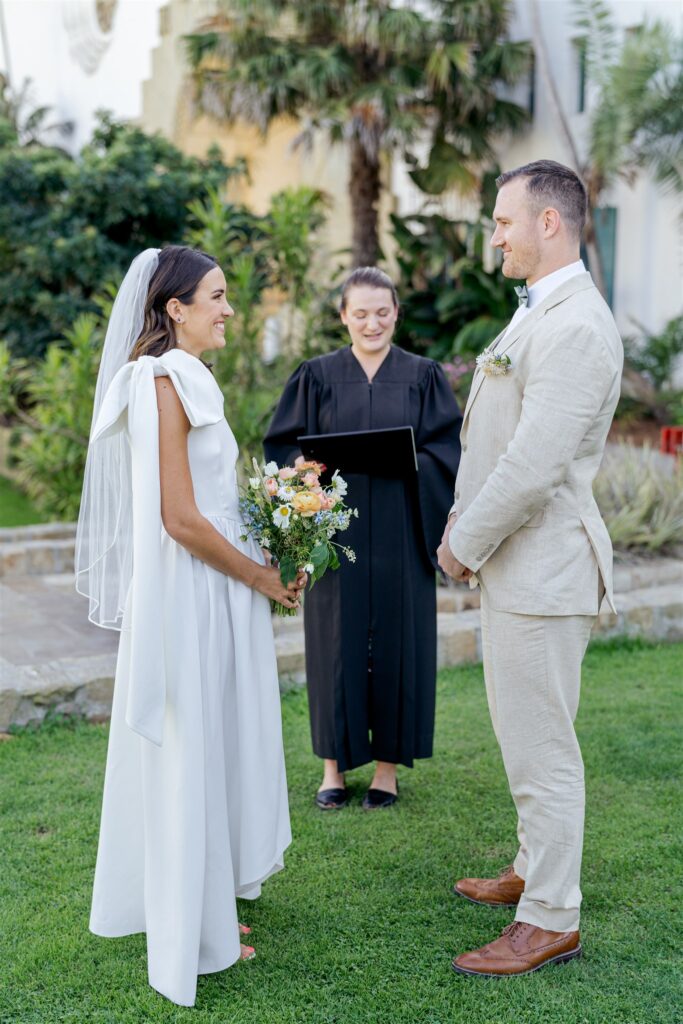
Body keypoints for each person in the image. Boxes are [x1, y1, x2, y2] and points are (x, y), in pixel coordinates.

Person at [76, 246, 303, 1007]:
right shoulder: (162, 380)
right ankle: (191, 932)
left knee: (213, 749)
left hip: (216, 592)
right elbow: (178, 518)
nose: (228, 309)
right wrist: (261, 578)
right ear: (174, 308)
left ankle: (207, 906)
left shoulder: (188, 377)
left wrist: (278, 530)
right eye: (216, 295)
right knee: (187, 755)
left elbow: (211, 499)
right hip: (189, 598)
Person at [438, 160, 623, 977]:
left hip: (543, 569)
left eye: (503, 221)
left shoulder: (577, 325)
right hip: (521, 566)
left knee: (544, 746)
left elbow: (533, 465)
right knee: (525, 736)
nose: (495, 236)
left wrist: (459, 542)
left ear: (549, 222)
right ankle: (530, 870)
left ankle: (550, 917)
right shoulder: (540, 313)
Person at [264, 267, 461, 809]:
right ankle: (332, 765)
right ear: (342, 316)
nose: (372, 322)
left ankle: (387, 770)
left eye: (382, 312)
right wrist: (302, 469)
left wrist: (410, 459)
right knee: (334, 643)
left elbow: (448, 450)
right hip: (336, 534)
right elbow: (283, 447)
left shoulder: (423, 376)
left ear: (396, 312)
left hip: (402, 525)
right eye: (360, 313)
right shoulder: (317, 375)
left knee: (401, 643)